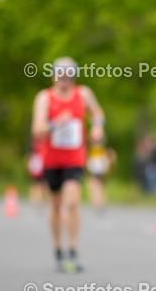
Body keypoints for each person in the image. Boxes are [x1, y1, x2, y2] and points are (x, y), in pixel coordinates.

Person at [32, 56, 105, 273]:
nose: (65, 81)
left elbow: (98, 113)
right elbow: (37, 130)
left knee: (72, 201)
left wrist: (97, 127)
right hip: (52, 159)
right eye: (61, 76)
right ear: (54, 76)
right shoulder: (45, 98)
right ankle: (58, 249)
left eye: (70, 76)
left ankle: (73, 249)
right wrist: (55, 124)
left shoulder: (83, 94)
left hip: (74, 157)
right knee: (55, 205)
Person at [86, 141, 116, 211]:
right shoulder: (91, 149)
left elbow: (111, 157)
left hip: (102, 170)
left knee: (100, 186)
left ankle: (100, 202)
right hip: (94, 169)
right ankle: (97, 202)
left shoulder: (104, 148)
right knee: (95, 185)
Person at [27, 141, 46, 206]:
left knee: (40, 185)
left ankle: (39, 199)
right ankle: (37, 199)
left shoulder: (38, 154)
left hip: (40, 172)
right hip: (38, 172)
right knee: (38, 185)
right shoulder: (35, 155)